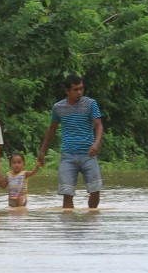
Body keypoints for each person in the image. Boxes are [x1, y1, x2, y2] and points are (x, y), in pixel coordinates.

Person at [37, 74, 104, 209]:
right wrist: (42, 151)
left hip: (88, 155)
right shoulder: (58, 107)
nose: (79, 92)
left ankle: (92, 221)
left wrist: (96, 144)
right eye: (76, 89)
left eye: (81, 89)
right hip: (68, 156)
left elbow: (99, 125)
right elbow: (52, 129)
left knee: (95, 191)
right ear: (67, 91)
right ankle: (69, 226)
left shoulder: (90, 104)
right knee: (67, 193)